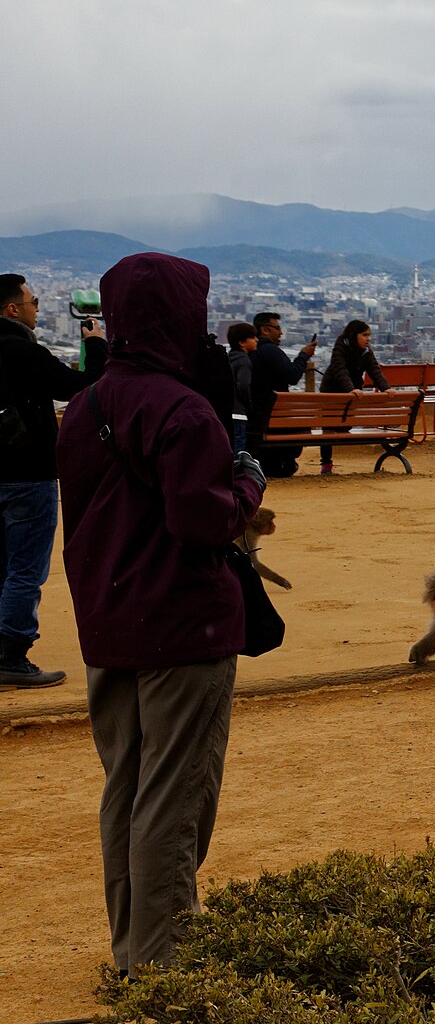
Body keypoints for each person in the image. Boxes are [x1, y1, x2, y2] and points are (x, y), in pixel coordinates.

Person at [56, 252, 266, 972]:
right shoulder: (182, 410)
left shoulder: (83, 408)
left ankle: (130, 949)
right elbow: (201, 522)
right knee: (176, 795)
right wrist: (247, 487)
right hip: (183, 624)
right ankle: (164, 965)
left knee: (127, 788)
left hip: (108, 627)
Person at [0, 273, 106, 688]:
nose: (36, 307)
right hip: (28, 472)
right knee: (25, 568)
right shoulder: (22, 350)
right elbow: (80, 387)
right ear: (12, 309)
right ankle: (11, 654)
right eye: (33, 301)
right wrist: (95, 342)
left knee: (3, 566)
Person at [246, 312, 318, 477]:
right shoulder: (270, 350)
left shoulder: (249, 352)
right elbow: (292, 376)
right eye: (277, 328)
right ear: (264, 330)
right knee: (301, 424)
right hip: (272, 417)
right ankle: (285, 461)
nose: (281, 332)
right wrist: (304, 355)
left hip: (253, 417)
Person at [315, 319, 390, 476]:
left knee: (341, 426)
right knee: (328, 426)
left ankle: (328, 458)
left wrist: (386, 387)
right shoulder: (341, 345)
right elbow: (339, 368)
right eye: (364, 335)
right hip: (332, 389)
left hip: (352, 390)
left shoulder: (365, 351)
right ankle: (326, 462)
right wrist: (350, 389)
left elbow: (374, 369)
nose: (368, 339)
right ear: (353, 335)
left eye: (369, 335)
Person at [224, 323, 257, 455]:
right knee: (239, 447)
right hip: (239, 411)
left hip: (226, 410)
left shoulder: (228, 358)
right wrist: (249, 406)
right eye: (253, 337)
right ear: (242, 343)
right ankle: (237, 473)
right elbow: (243, 385)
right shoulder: (244, 360)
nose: (257, 340)